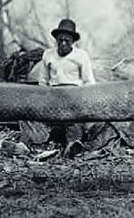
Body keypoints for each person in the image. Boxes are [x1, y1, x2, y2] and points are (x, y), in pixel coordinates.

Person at [25, 19, 96, 156]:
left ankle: (71, 146)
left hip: (73, 99)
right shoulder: (48, 55)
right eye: (60, 40)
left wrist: (81, 103)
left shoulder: (81, 56)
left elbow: (89, 82)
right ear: (56, 39)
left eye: (67, 41)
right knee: (31, 118)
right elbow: (43, 82)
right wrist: (43, 102)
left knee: (74, 125)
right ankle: (26, 145)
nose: (63, 43)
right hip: (53, 98)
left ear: (73, 41)